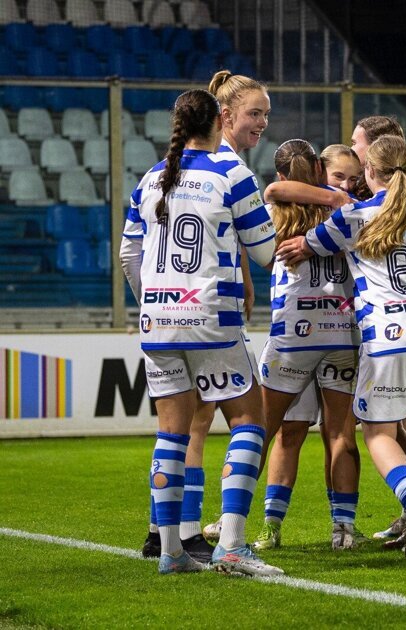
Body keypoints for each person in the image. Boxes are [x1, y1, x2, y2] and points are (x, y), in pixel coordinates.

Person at [276, 134, 406, 558]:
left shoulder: (354, 216)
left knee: (379, 433)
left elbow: (305, 246)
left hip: (387, 336)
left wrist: (294, 246)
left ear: (368, 172)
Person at [119, 88, 283, 576]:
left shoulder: (150, 179)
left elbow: (129, 256)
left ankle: (170, 551)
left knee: (171, 433)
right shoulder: (231, 173)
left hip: (157, 322)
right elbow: (264, 251)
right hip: (212, 317)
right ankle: (232, 546)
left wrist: (155, 299)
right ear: (218, 122)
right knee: (250, 420)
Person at [252, 139, 363, 551]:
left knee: (276, 432)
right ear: (319, 171)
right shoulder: (352, 214)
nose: (346, 186)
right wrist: (340, 196)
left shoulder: (274, 213)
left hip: (292, 335)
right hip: (340, 333)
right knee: (340, 434)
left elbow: (272, 192)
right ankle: (343, 529)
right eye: (338, 177)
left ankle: (259, 525)